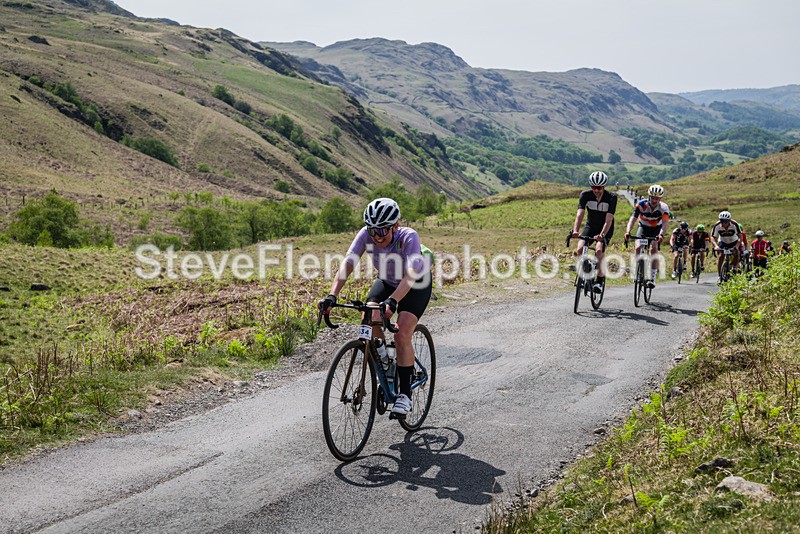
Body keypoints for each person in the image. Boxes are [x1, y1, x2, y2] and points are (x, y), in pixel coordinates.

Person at [318, 198, 432, 416]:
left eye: (383, 231)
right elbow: (348, 264)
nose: (377, 237)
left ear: (395, 226)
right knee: (370, 316)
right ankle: (385, 358)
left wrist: (393, 301)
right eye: (373, 231)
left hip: (415, 284)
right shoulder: (366, 235)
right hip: (388, 281)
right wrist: (332, 295)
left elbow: (410, 275)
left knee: (402, 333)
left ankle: (405, 395)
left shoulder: (408, 237)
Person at [570, 171, 617, 293]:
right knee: (580, 249)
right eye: (594, 187)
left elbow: (609, 219)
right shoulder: (585, 195)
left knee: (599, 250)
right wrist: (575, 230)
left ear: (604, 186)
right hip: (590, 226)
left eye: (599, 187)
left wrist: (602, 235)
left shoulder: (612, 197)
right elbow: (580, 214)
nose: (596, 190)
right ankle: (587, 271)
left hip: (605, 228)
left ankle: (600, 281)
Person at [624, 184, 670, 288]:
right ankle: (637, 270)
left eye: (657, 198)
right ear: (649, 196)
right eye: (653, 198)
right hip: (643, 227)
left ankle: (652, 278)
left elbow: (665, 223)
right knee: (638, 247)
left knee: (654, 249)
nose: (654, 200)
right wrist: (628, 231)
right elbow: (633, 219)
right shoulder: (641, 204)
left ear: (660, 198)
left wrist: (661, 235)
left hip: (656, 229)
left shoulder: (663, 208)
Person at [710, 210, 743, 281]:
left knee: (736, 253)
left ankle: (733, 266)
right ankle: (719, 276)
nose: (723, 223)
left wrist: (737, 246)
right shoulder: (717, 225)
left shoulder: (734, 224)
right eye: (722, 221)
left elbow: (740, 237)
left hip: (733, 241)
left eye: (725, 221)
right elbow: (712, 237)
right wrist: (715, 246)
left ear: (729, 221)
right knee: (721, 256)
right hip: (723, 241)